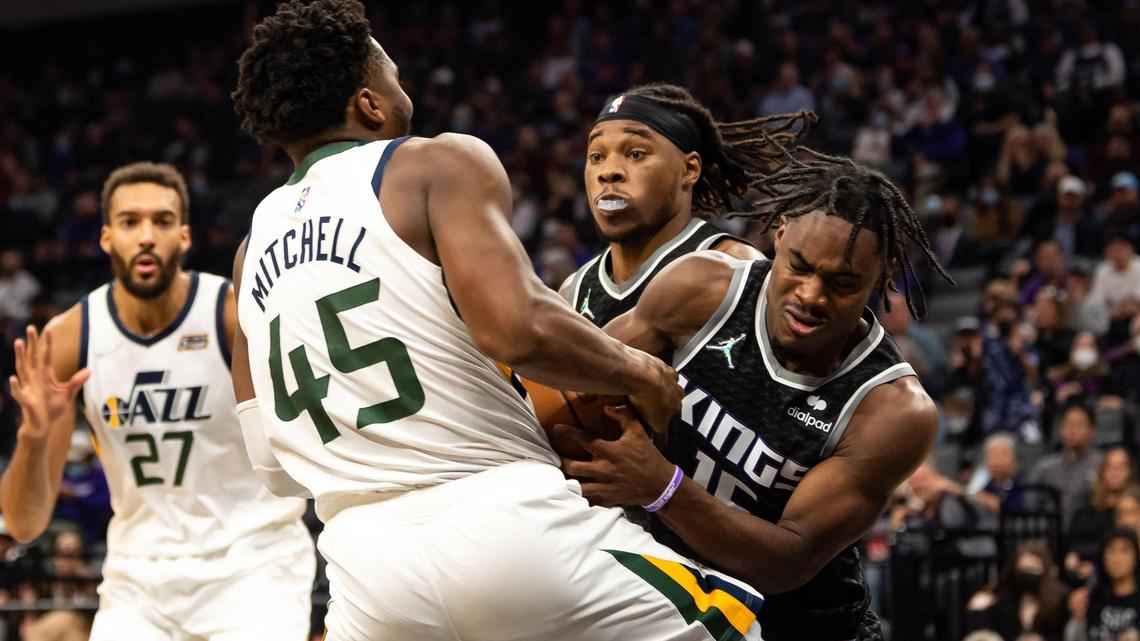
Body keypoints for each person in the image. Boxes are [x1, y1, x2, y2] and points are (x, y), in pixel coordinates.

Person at [228, 1, 764, 640]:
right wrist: (641, 373)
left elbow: (270, 463)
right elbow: (516, 329)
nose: (404, 91)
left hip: (364, 572)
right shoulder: (433, 163)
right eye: (394, 76)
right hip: (500, 520)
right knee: (736, 627)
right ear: (370, 105)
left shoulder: (250, 248)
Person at [556, 151, 947, 640]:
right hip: (667, 597)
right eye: (799, 266)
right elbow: (573, 388)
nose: (811, 295)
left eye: (842, 283)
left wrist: (662, 486)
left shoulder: (891, 410)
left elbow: (787, 560)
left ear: (882, 276)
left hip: (799, 629)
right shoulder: (702, 289)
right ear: (779, 233)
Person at [0, 161, 316, 640]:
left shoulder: (232, 314)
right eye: (130, 222)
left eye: (162, 221)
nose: (146, 236)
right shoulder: (69, 338)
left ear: (184, 236)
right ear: (107, 238)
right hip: (138, 582)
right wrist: (32, 435)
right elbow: (24, 524)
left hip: (253, 566)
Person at [564, 82, 805, 329]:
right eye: (597, 156)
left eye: (635, 154)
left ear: (689, 170)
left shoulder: (737, 269)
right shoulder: (572, 292)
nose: (608, 172)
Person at [965, 541, 1069, 641]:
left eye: (1032, 569)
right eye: (1022, 569)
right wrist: (978, 610)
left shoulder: (1061, 601)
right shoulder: (1003, 601)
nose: (1027, 574)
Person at [1032, 403, 1103, 529]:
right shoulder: (1045, 467)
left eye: (1079, 425)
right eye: (1068, 424)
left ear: (1092, 430)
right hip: (1049, 532)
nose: (1072, 430)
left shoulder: (1101, 464)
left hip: (1090, 533)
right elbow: (1031, 506)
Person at [1069, 528, 1140, 641]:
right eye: (1111, 550)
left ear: (1136, 556)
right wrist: (1077, 618)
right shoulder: (1089, 598)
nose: (1117, 558)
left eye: (1124, 550)